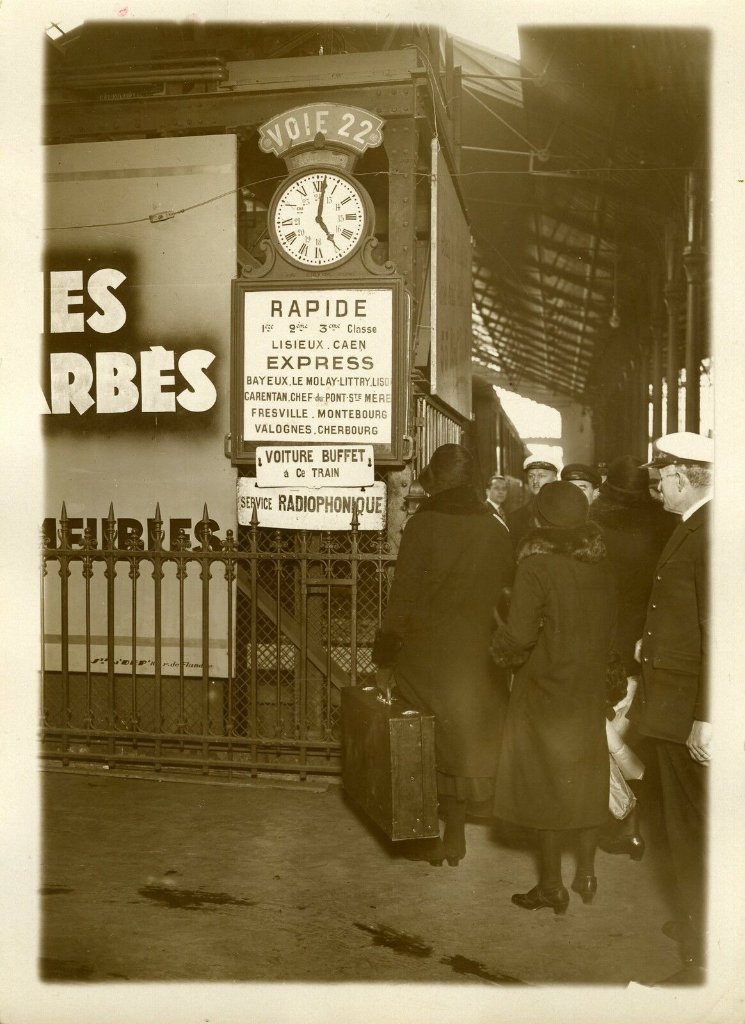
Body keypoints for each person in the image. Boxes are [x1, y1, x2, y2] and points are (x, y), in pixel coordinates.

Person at [372, 444, 515, 866]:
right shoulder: (496, 526)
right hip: (476, 657)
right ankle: (456, 833)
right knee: (460, 743)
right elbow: (508, 594)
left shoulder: (423, 525)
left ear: (436, 478)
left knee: (424, 742)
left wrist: (385, 657)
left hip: (427, 654)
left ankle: (428, 836)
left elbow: (404, 597)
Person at [491, 481, 618, 913]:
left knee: (544, 784)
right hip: (586, 688)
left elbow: (519, 637)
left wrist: (500, 643)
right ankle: (586, 874)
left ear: (540, 520)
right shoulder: (601, 566)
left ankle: (550, 887)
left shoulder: (536, 567)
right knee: (584, 780)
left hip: (544, 688)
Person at [629, 431, 712, 982]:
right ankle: (694, 923)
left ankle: (702, 958)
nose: (657, 491)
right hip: (673, 696)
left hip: (689, 708)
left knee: (692, 828)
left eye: (661, 481)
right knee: (681, 821)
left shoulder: (711, 534)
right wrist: (650, 644)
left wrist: (709, 715)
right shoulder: (692, 528)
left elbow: (724, 630)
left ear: (683, 476)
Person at [590, 455, 675, 859]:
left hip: (601, 644)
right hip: (647, 645)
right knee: (636, 730)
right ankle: (637, 823)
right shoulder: (663, 525)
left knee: (601, 734)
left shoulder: (592, 525)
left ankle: (614, 819)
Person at [506, 454, 558, 549]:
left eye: (541, 476)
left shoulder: (564, 514)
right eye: (531, 476)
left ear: (555, 479)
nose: (535, 481)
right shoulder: (515, 518)